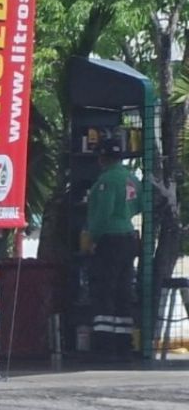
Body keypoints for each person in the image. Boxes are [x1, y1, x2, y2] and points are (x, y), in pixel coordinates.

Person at [85, 137, 140, 355]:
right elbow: (138, 205)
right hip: (128, 238)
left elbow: (102, 214)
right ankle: (124, 342)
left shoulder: (106, 181)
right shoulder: (132, 178)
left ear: (103, 158)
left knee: (104, 289)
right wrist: (124, 215)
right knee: (123, 289)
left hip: (109, 240)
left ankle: (104, 344)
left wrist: (93, 238)